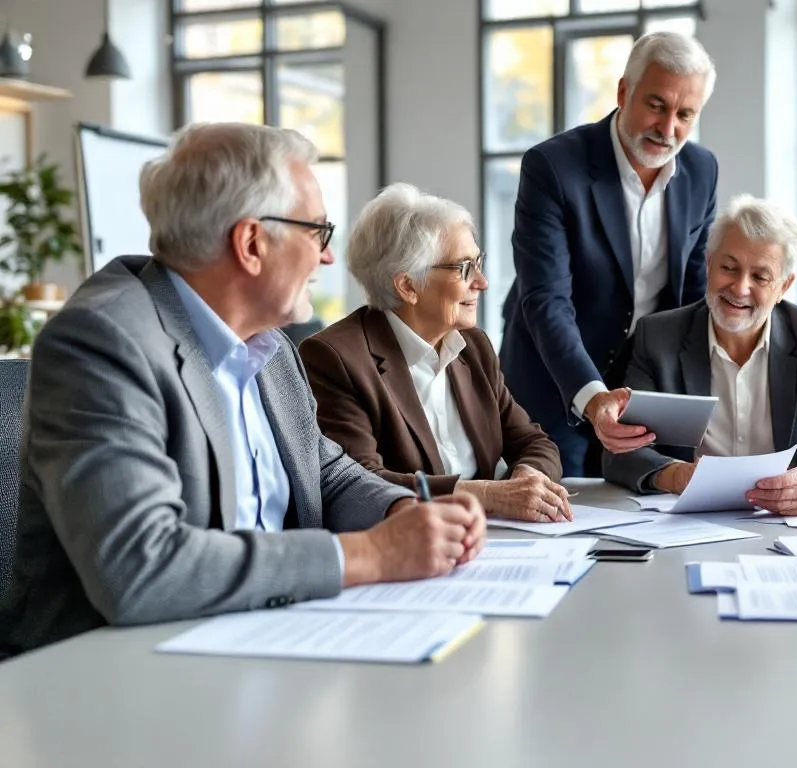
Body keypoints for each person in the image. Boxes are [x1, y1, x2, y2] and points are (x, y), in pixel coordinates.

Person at [0, 123, 486, 657]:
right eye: (318, 233)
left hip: (266, 641)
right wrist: (370, 555)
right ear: (252, 243)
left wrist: (401, 514)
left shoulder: (269, 344)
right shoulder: (103, 341)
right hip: (114, 674)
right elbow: (139, 568)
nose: (328, 258)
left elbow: (325, 472)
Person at [499, 30, 720, 477]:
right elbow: (546, 300)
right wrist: (592, 394)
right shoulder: (554, 167)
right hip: (553, 383)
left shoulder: (701, 171)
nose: (668, 128)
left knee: (651, 510)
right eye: (656, 105)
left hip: (641, 390)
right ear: (624, 92)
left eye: (685, 114)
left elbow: (696, 296)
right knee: (560, 513)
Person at [300, 183, 570, 523]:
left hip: (495, 540)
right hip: (408, 548)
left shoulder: (474, 347)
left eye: (479, 262)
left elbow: (534, 441)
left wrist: (528, 478)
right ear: (408, 286)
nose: (482, 282)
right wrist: (487, 495)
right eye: (465, 268)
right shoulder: (335, 357)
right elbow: (361, 483)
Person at [604, 195, 797, 514]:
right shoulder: (659, 337)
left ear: (784, 286)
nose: (740, 288)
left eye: (760, 277)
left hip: (786, 524)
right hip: (688, 522)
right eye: (728, 268)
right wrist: (678, 476)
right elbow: (620, 452)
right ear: (709, 264)